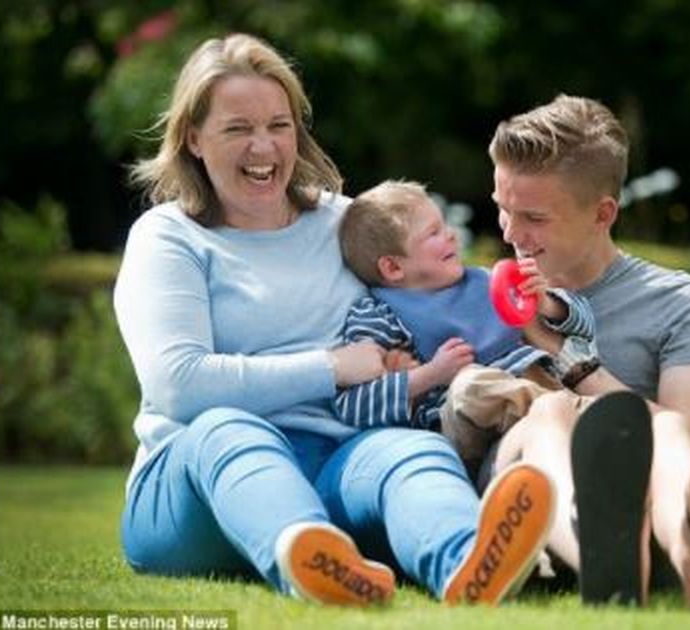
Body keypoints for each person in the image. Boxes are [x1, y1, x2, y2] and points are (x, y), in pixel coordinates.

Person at [114, 33, 558, 608]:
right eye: (238, 128)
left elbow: (434, 295)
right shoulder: (169, 237)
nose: (263, 146)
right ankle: (305, 552)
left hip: (338, 468)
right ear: (194, 138)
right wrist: (332, 367)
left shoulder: (346, 224)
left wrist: (518, 314)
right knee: (230, 429)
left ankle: (469, 560)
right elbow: (179, 385)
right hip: (197, 483)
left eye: (278, 125)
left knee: (408, 451)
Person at [475, 94, 690, 607]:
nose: (510, 232)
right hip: (525, 498)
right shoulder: (476, 293)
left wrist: (562, 353)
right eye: (502, 209)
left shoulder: (681, 301)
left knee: (669, 429)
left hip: (648, 501)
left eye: (533, 217)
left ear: (603, 213)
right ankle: (594, 548)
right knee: (551, 411)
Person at [334, 180, 598, 473]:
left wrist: (547, 303)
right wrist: (430, 375)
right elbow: (352, 407)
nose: (450, 234)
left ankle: (573, 421)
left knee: (522, 388)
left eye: (444, 225)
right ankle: (585, 417)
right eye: (433, 232)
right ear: (393, 268)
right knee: (470, 385)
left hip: (536, 393)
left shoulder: (489, 280)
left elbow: (586, 327)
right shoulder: (379, 315)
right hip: (467, 426)